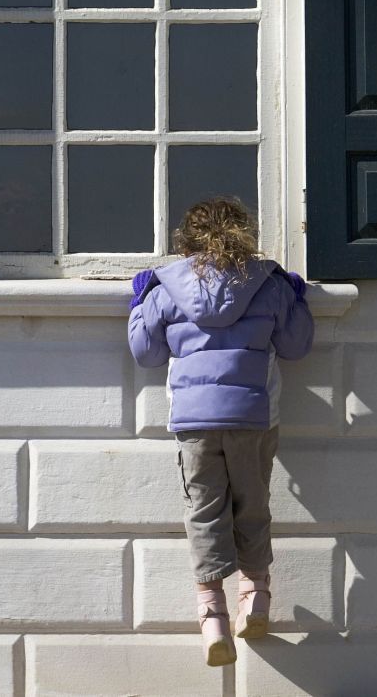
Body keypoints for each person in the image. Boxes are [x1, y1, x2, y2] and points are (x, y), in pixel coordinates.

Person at [127, 195, 314, 667]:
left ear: (186, 239)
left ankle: (213, 616)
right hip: (252, 415)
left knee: (205, 511)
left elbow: (145, 353)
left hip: (194, 421)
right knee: (252, 503)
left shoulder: (167, 288)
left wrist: (139, 301)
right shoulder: (267, 284)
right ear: (242, 234)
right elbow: (295, 346)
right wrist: (295, 296)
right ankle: (257, 597)